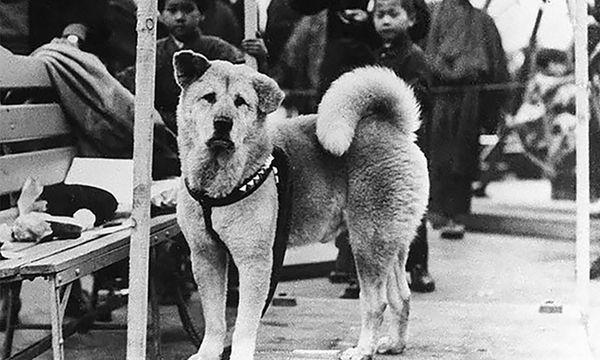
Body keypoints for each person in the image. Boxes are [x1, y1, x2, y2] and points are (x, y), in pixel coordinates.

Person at [425, 0, 509, 239]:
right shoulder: (434, 14)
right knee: (437, 152)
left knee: (463, 155)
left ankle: (458, 214)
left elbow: (496, 67)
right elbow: (426, 56)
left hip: (469, 96)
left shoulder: (483, 21)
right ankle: (437, 211)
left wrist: (493, 108)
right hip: (439, 95)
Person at [371, 0, 435, 293]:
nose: (385, 21)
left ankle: (418, 266)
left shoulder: (414, 56)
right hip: (377, 142)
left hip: (406, 140)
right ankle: (377, 269)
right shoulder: (372, 54)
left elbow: (421, 94)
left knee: (409, 207)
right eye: (379, 15)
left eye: (392, 14)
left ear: (410, 19)